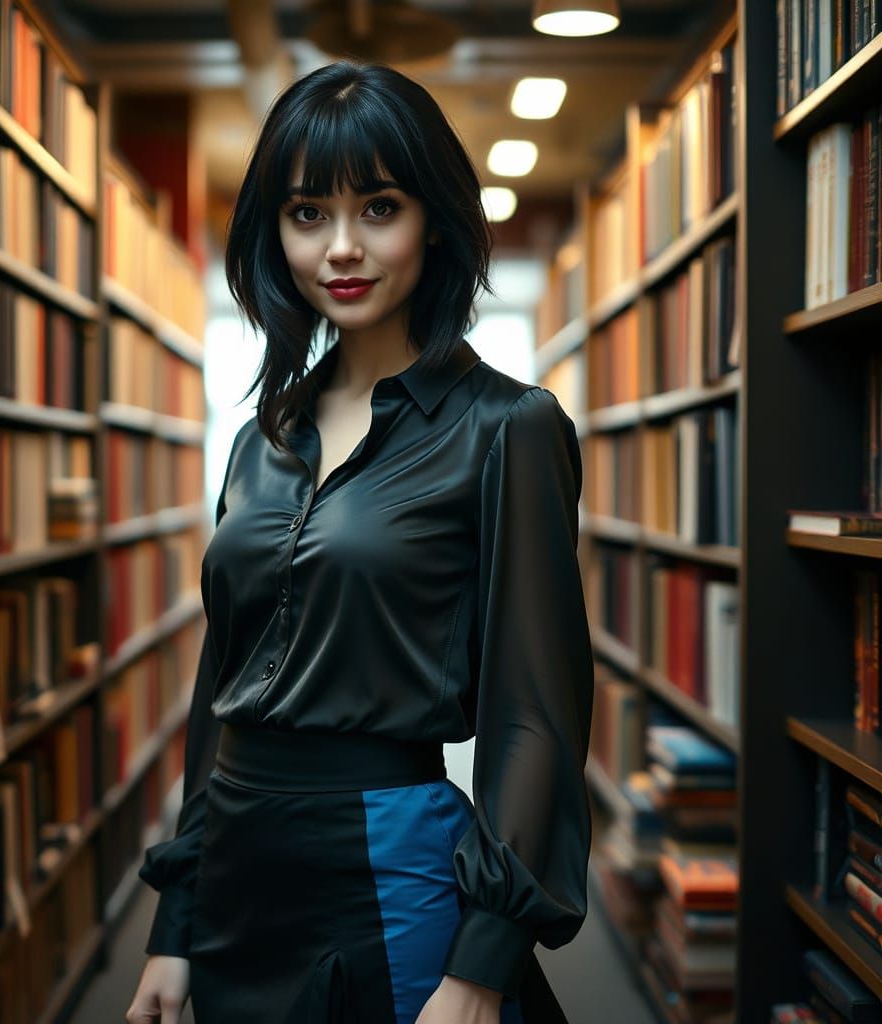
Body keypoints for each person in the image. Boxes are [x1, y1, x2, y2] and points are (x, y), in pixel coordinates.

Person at [125, 58, 593, 1024]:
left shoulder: (508, 426)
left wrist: (484, 959)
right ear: (275, 231)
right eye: (308, 215)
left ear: (435, 220)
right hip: (236, 887)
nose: (341, 247)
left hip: (386, 875)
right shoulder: (264, 436)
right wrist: (174, 923)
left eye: (379, 207)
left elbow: (534, 714)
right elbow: (224, 690)